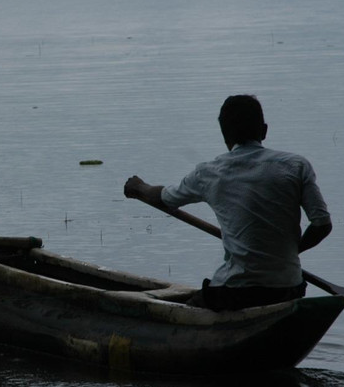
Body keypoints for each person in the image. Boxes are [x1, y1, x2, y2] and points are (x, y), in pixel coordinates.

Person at [124, 94, 332, 311]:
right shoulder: (296, 166)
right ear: (264, 131)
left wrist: (139, 187)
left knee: (190, 307)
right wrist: (289, 253)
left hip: (236, 292)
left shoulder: (210, 173)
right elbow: (322, 225)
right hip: (290, 287)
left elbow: (164, 197)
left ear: (225, 136)